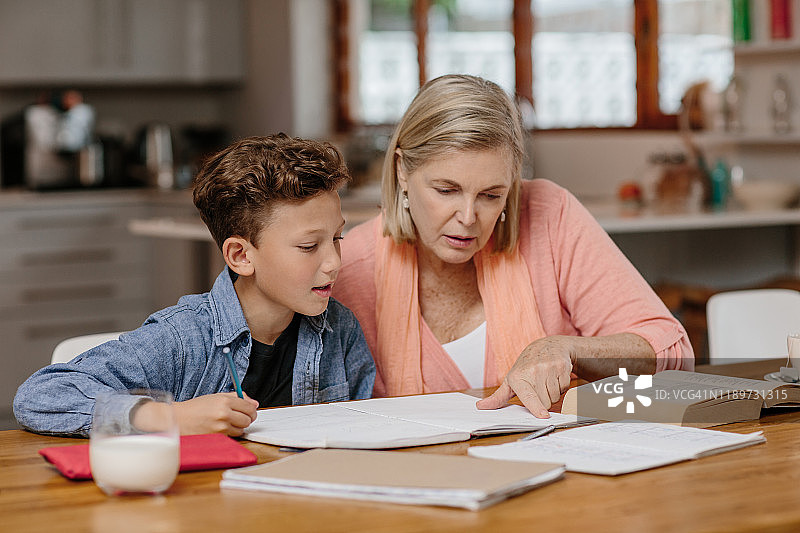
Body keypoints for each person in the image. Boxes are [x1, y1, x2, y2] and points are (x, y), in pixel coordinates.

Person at [332, 74, 694, 418]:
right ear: (402, 172)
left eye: (491, 195)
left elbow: (673, 353)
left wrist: (568, 350)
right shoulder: (349, 268)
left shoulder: (549, 215)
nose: (469, 217)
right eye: (446, 190)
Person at [14, 134, 375, 437]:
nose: (334, 262)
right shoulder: (183, 338)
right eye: (309, 247)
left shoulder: (340, 330)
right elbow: (41, 395)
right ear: (240, 256)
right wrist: (170, 417)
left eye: (337, 239)